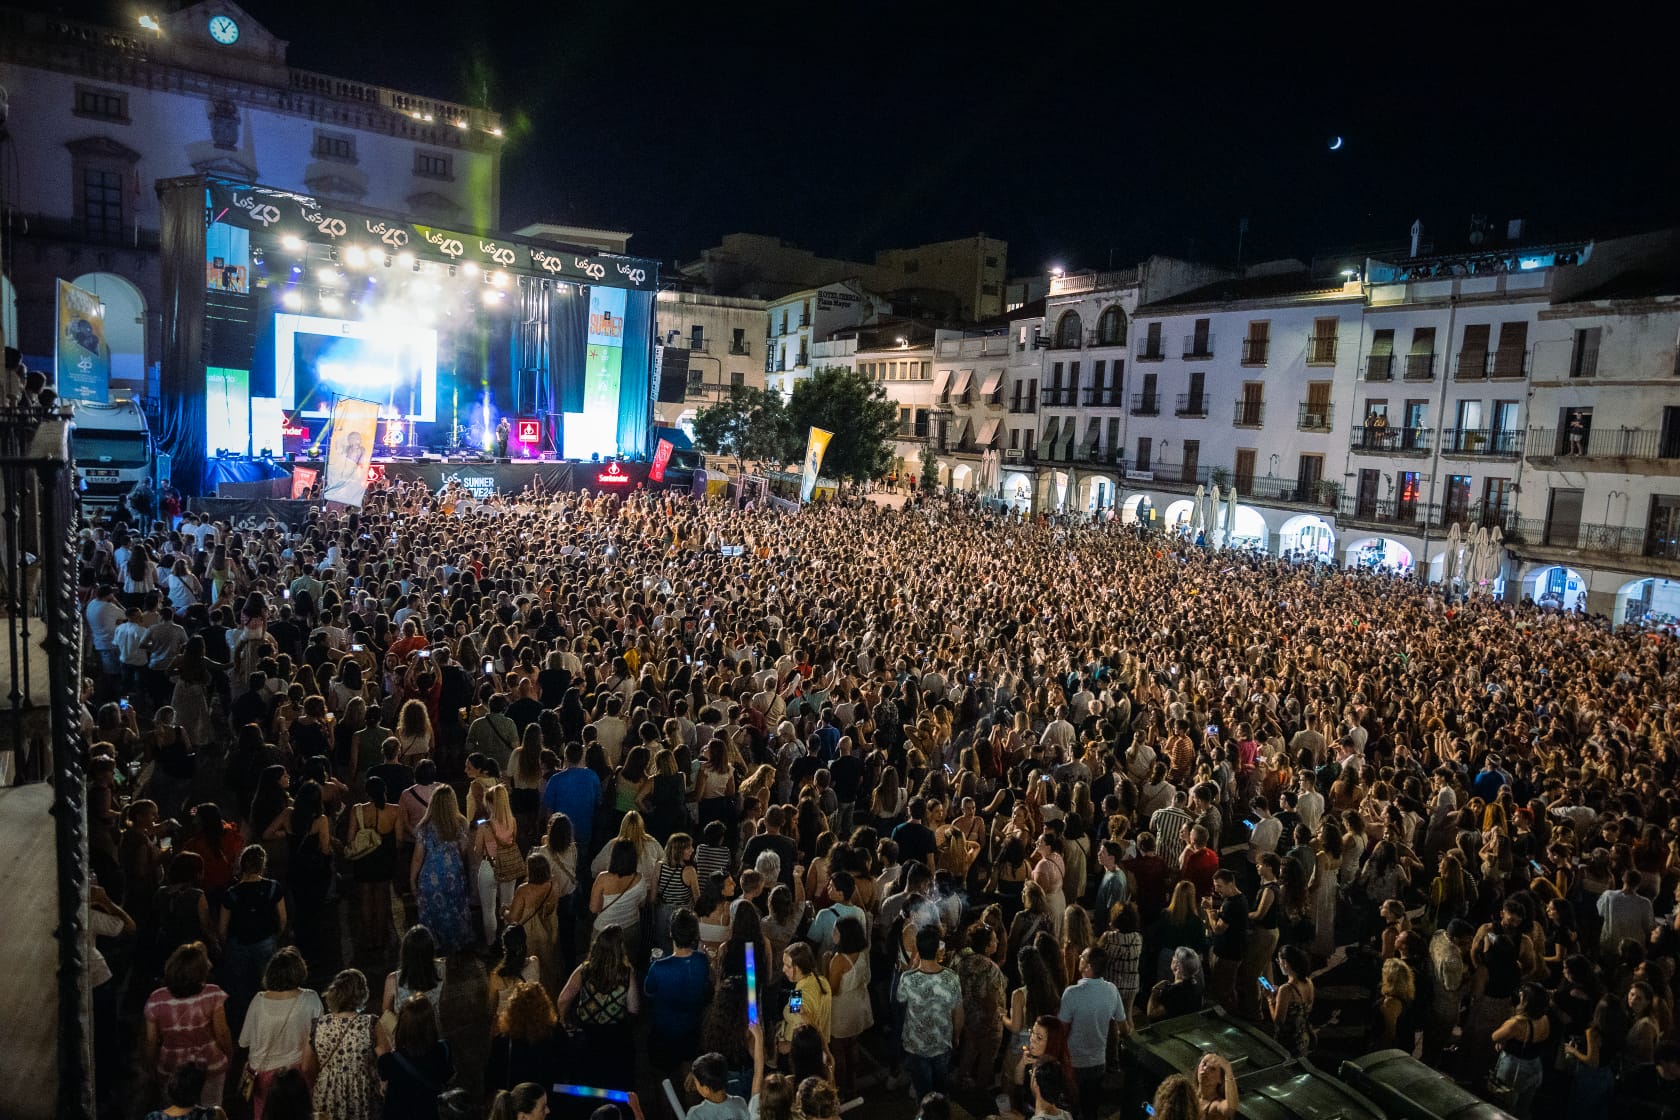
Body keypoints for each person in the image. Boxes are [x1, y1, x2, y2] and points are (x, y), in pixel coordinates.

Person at [144, 943, 233, 1107]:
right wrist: (229, 1053)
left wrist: (150, 1064)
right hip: (209, 1062)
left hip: (172, 1065)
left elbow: (151, 1040)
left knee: (176, 1110)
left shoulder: (156, 999)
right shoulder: (213, 994)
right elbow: (222, 1033)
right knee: (211, 1108)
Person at [238, 947, 322, 1120]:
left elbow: (244, 1041)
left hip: (262, 1075)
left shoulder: (258, 1000)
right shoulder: (310, 999)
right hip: (296, 1075)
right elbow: (318, 1041)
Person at [308, 969, 389, 1120]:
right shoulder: (370, 1023)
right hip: (363, 1094)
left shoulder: (318, 1025)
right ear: (362, 993)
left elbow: (307, 1066)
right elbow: (385, 1059)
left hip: (327, 1095)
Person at [1058, 945, 1128, 1120]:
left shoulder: (1072, 994)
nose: (1079, 957)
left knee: (1071, 1108)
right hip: (1098, 1061)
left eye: (1082, 957)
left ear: (1088, 966)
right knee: (1092, 1108)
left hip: (1074, 1062)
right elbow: (1123, 1026)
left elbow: (1062, 1030)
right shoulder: (1111, 990)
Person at [897, 925, 963, 1099]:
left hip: (916, 1045)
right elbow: (958, 1013)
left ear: (918, 948)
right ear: (938, 949)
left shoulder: (908, 979)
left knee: (923, 1090)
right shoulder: (951, 978)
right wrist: (956, 1036)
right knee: (940, 1087)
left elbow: (900, 1001)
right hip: (942, 1042)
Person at [644, 908, 712, 1068]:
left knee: (664, 1072)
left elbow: (648, 991)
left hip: (664, 1030)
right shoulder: (702, 961)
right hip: (692, 1028)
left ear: (671, 933)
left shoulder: (659, 967)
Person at [411, 785, 473, 953]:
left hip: (430, 878)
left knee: (433, 917)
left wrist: (412, 880)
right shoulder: (460, 824)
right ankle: (455, 954)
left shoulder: (424, 828)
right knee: (455, 915)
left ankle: (437, 955)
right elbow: (464, 849)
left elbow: (418, 857)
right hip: (454, 876)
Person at [377, 993, 453, 1120]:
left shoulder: (390, 1060)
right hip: (429, 1113)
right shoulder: (443, 1049)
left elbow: (383, 1078)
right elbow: (446, 1076)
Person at [1490, 982, 1550, 1119]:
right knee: (1522, 1109)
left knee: (1503, 1108)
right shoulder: (1545, 1019)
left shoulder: (1517, 1023)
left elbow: (1495, 1036)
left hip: (1515, 1069)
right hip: (1535, 1066)